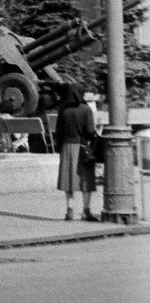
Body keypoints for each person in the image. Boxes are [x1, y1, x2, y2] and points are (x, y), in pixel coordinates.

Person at [53, 83, 98, 221]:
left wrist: (60, 146)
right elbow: (90, 131)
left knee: (69, 180)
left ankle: (69, 210)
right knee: (86, 180)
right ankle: (86, 210)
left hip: (67, 147)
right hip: (82, 147)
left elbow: (58, 132)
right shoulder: (85, 109)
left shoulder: (63, 110)